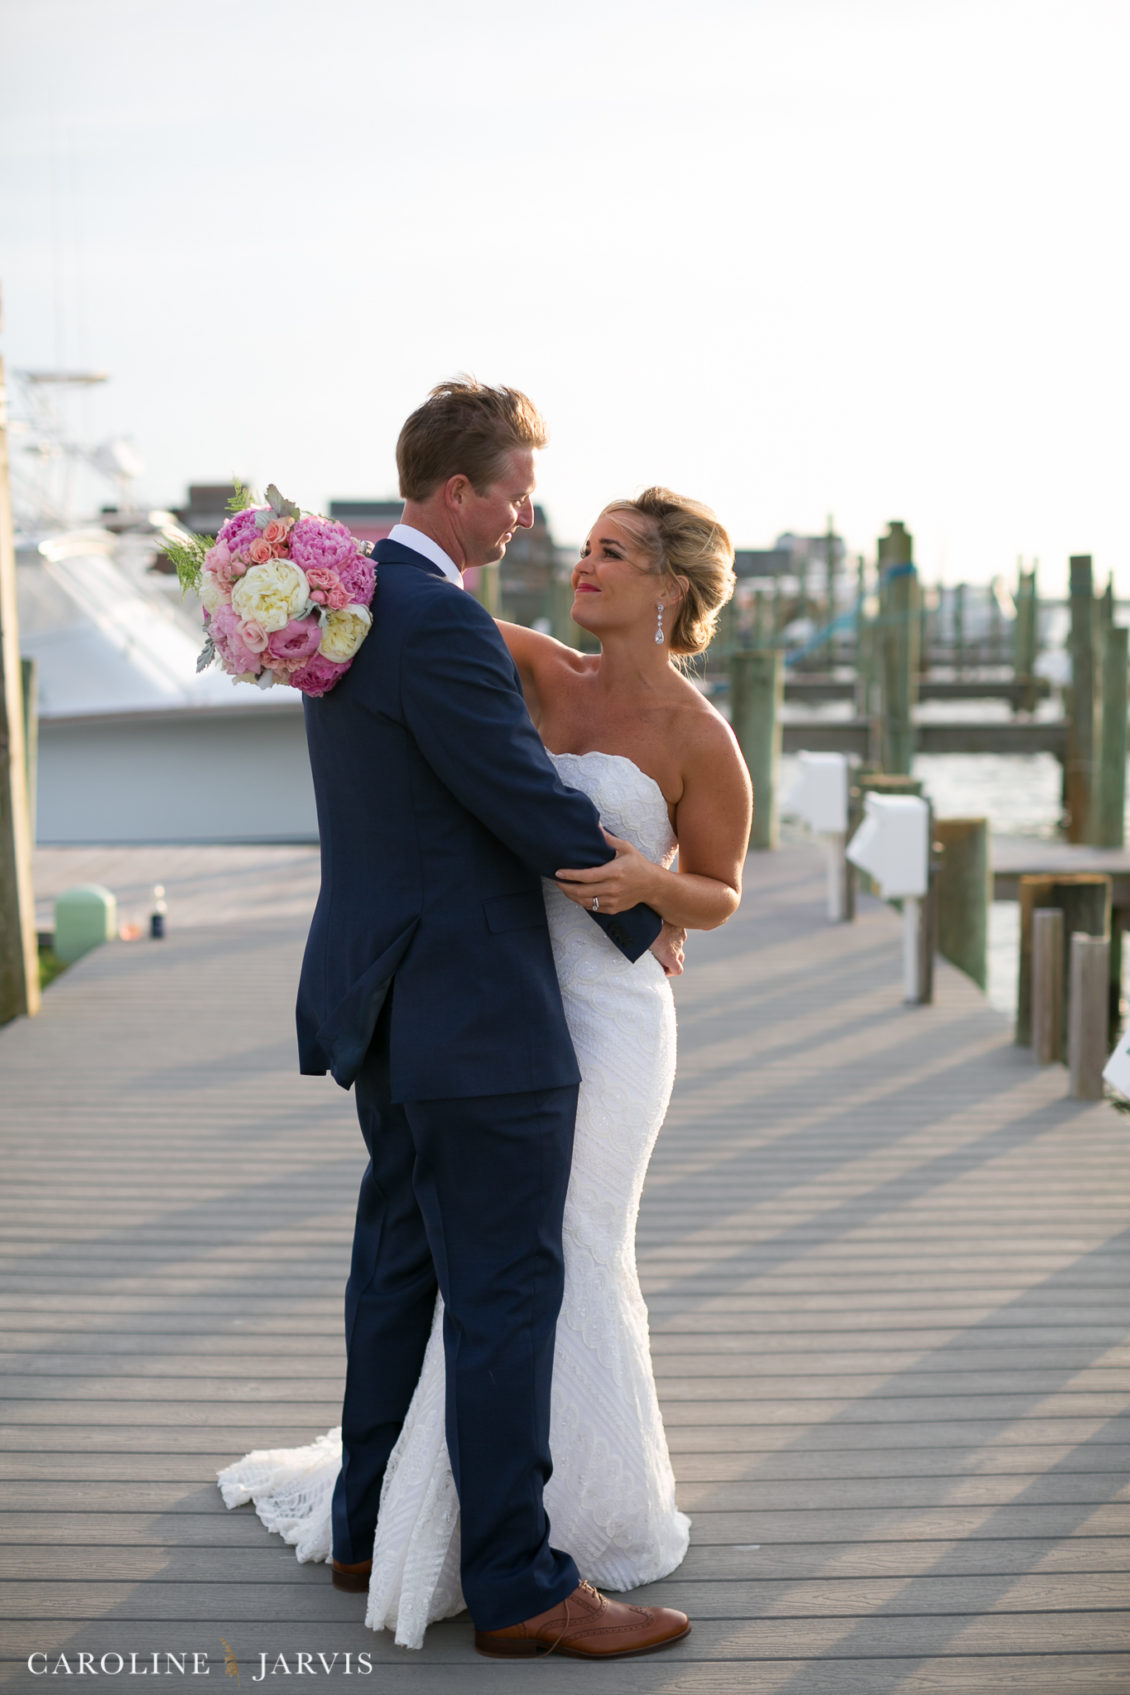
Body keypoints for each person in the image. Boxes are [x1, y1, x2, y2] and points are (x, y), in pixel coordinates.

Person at [219, 465, 753, 1653]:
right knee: (484, 1266)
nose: (584, 560)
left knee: (555, 1250)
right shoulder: (516, 654)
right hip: (494, 997)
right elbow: (407, 618)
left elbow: (717, 892)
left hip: (605, 1019)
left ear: (667, 589)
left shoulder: (699, 737)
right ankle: (481, 1545)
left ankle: (550, 1523)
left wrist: (650, 889)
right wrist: (286, 571)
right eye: (589, 544)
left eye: (615, 552)